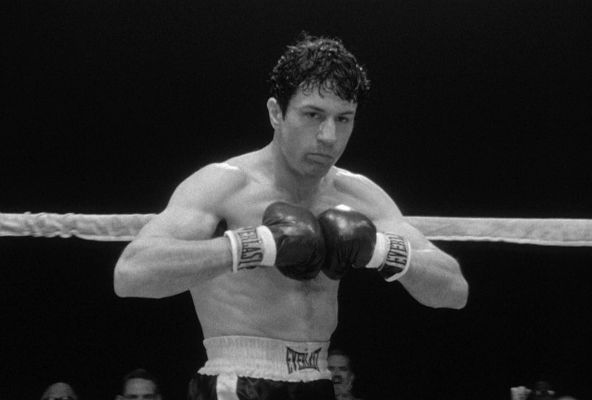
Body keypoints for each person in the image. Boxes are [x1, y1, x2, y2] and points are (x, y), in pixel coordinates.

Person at [114, 33, 469, 400]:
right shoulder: (225, 185)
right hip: (238, 381)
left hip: (317, 379)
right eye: (313, 115)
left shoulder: (358, 195)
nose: (329, 136)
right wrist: (254, 246)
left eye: (344, 119)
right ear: (276, 113)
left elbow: (455, 290)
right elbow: (131, 274)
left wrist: (382, 251)